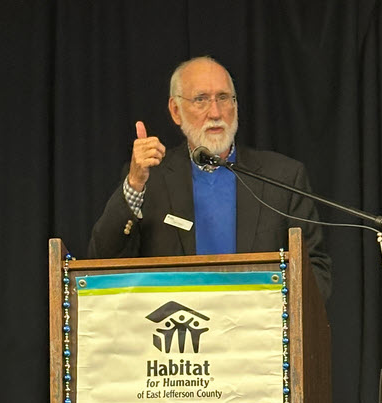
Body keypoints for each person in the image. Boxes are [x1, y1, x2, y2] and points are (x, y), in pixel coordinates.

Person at [88, 56, 331, 301]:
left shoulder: (283, 177)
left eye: (223, 98)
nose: (215, 113)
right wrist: (134, 185)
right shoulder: (150, 179)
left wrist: (275, 309)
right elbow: (102, 261)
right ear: (175, 111)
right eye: (201, 99)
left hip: (259, 321)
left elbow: (316, 272)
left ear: (235, 105)